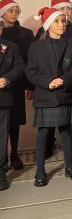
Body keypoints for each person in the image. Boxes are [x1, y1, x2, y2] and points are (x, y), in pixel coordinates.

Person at [25, 7, 72, 187]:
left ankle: (69, 167)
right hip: (45, 95)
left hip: (65, 94)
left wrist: (63, 80)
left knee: (66, 132)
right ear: (49, 24)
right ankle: (40, 171)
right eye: (58, 21)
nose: (62, 24)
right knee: (43, 133)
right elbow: (31, 71)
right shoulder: (36, 47)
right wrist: (48, 82)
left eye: (64, 21)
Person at [35, 0, 72, 158]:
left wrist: (67, 78)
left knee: (71, 118)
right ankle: (48, 146)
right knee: (47, 122)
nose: (67, 12)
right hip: (48, 83)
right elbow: (36, 61)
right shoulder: (41, 34)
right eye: (63, 9)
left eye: (69, 9)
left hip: (68, 82)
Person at [0, 0, 34, 170]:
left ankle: (14, 154)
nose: (14, 14)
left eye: (16, 11)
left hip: (18, 82)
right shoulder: (1, 32)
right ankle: (2, 157)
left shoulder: (26, 33)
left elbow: (28, 61)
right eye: (10, 11)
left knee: (14, 120)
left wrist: (30, 85)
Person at [0, 20, 25, 191]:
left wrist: (7, 79)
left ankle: (1, 172)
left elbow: (19, 67)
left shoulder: (11, 47)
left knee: (1, 137)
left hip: (3, 98)